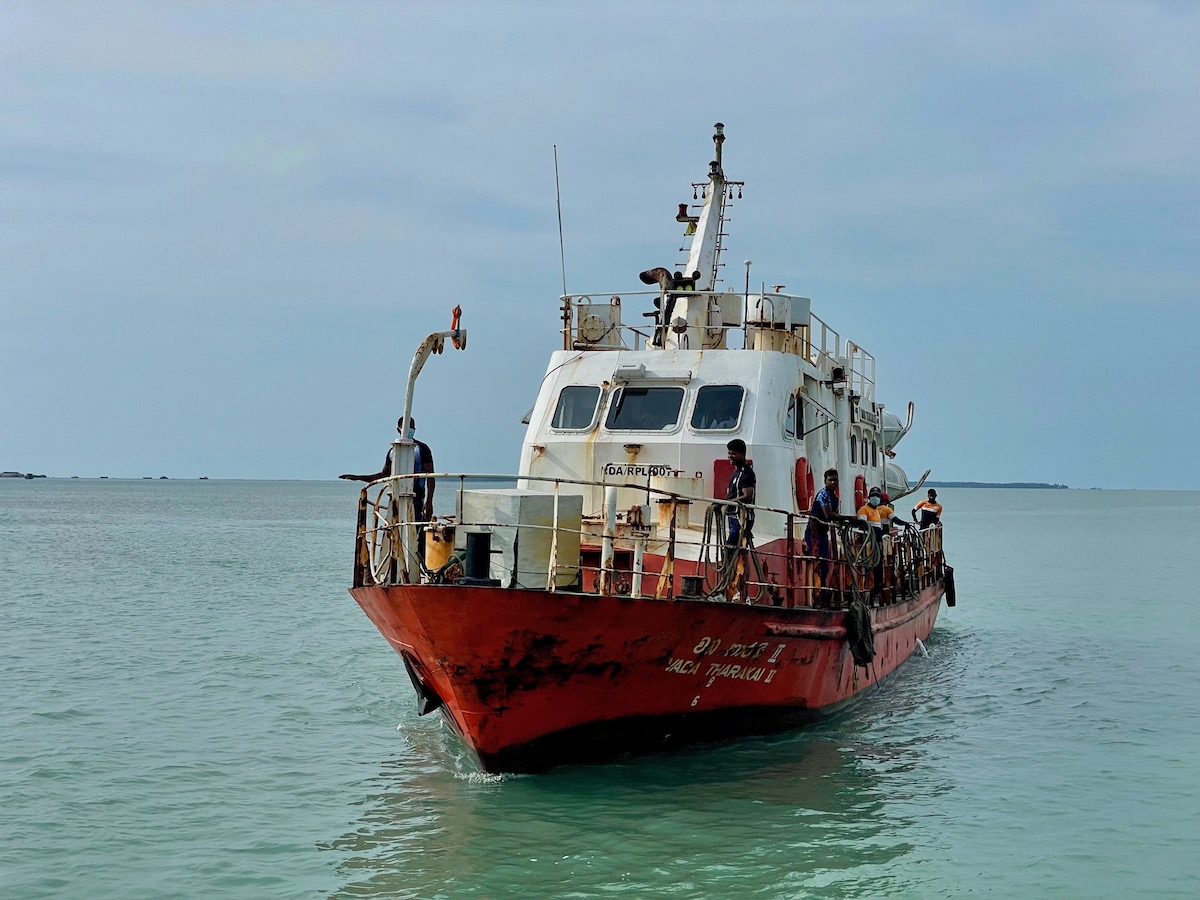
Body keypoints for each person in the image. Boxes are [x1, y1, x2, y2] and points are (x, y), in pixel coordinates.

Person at [340, 416, 436, 521]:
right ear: (398, 429)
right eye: (406, 426)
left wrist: (429, 501)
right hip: (395, 498)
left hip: (417, 498)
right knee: (393, 528)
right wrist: (358, 477)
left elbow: (430, 476)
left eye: (411, 426)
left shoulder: (422, 449)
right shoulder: (393, 452)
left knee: (417, 528)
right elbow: (383, 475)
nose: (409, 429)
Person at [724, 439, 756, 548]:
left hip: (741, 516)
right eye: (729, 453)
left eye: (734, 453)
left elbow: (747, 495)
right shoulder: (736, 472)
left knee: (731, 546)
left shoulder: (746, 473)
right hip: (733, 515)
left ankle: (730, 562)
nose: (730, 456)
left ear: (743, 454)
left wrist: (727, 502)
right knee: (730, 546)